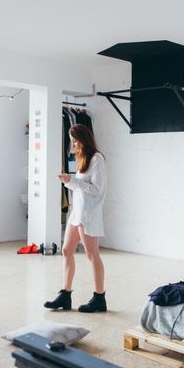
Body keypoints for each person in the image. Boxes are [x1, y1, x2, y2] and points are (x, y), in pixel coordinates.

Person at [44, 124, 107, 313]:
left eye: (75, 141)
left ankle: (99, 298)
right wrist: (68, 181)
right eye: (72, 141)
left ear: (84, 139)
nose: (73, 144)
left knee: (91, 255)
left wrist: (73, 181)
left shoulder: (97, 159)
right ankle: (65, 295)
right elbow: (81, 187)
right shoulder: (83, 159)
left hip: (88, 213)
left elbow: (97, 190)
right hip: (77, 212)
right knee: (66, 250)